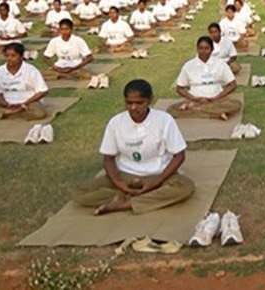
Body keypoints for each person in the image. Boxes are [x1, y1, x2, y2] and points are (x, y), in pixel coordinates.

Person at [71, 79, 195, 215]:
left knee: (185, 187)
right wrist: (119, 183)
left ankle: (126, 203)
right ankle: (126, 197)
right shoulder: (116, 122)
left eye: (139, 103)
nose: (133, 107)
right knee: (79, 192)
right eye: (129, 103)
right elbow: (108, 158)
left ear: (150, 101)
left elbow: (179, 156)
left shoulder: (164, 120)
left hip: (157, 175)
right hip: (125, 175)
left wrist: (155, 182)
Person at [168, 36, 241, 120]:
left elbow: (233, 85)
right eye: (201, 48)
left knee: (236, 104)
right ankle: (215, 114)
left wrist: (217, 97)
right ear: (197, 49)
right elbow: (179, 88)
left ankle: (196, 109)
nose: (203, 51)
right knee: (171, 110)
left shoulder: (220, 64)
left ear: (212, 49)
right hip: (195, 100)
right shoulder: (189, 65)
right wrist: (193, 98)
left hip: (217, 99)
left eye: (207, 48)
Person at [0, 42, 49, 120]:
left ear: (21, 57)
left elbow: (43, 91)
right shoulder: (0, 71)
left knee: (39, 113)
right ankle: (12, 113)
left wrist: (24, 104)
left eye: (13, 56)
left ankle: (8, 113)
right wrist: (4, 103)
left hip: (28, 102)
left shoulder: (31, 70)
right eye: (7, 56)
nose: (9, 58)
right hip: (8, 103)